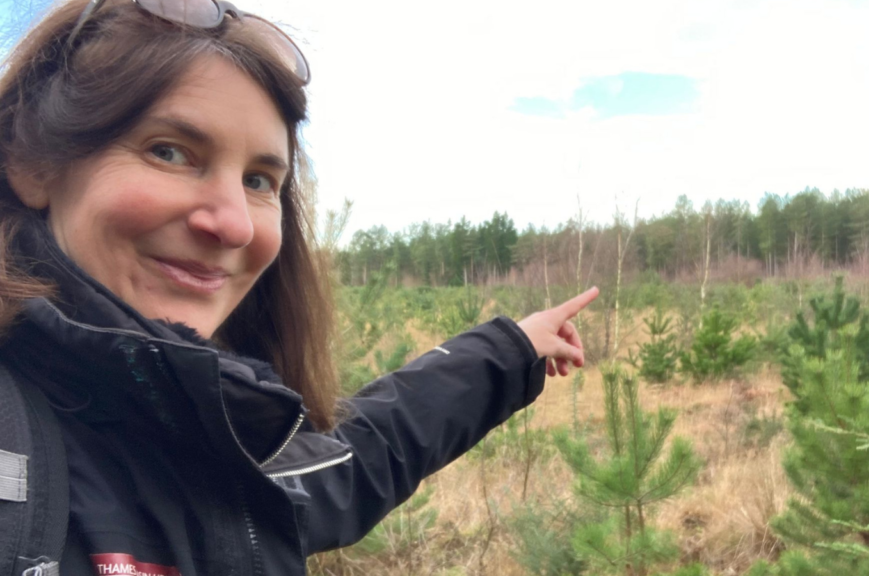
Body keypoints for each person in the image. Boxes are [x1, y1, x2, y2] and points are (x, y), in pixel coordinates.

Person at [0, 0, 598, 574]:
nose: (234, 223)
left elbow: (352, 462)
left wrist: (509, 350)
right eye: (171, 151)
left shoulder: (211, 438)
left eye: (260, 180)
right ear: (30, 162)